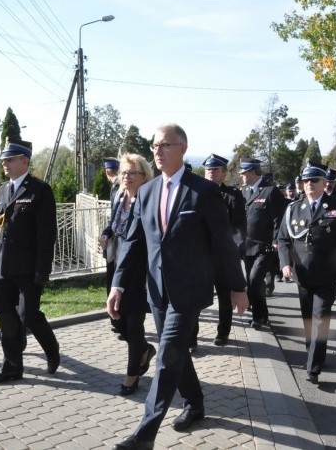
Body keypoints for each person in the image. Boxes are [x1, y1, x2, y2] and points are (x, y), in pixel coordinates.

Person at [107, 124, 248, 450]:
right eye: (155, 145)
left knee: (167, 356)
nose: (158, 151)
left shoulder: (204, 192)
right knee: (177, 354)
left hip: (189, 291)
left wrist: (237, 286)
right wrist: (118, 285)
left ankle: (144, 436)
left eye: (165, 145)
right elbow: (133, 243)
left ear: (183, 148)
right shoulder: (148, 191)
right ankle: (195, 404)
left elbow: (224, 243)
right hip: (156, 291)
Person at [0, 139, 60, 383]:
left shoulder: (39, 191)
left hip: (28, 269)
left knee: (29, 315)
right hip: (3, 267)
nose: (5, 163)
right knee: (7, 318)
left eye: (10, 159)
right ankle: (12, 367)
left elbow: (47, 235)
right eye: (4, 159)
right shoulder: (1, 191)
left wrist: (42, 269)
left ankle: (51, 348)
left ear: (24, 161)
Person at [278, 163, 336, 384]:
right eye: (306, 181)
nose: (309, 185)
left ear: (325, 183)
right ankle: (314, 354)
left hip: (328, 275)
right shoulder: (294, 208)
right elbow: (283, 239)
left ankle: (313, 368)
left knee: (319, 319)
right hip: (303, 275)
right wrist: (285, 264)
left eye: (314, 181)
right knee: (308, 320)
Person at [100, 154, 156, 396]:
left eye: (132, 173)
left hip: (139, 269)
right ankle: (144, 350)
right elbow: (114, 224)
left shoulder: (149, 200)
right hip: (116, 264)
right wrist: (106, 233)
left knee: (134, 325)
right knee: (116, 318)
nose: (126, 177)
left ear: (144, 176)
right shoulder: (119, 195)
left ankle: (132, 375)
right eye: (123, 172)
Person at [199, 153, 247, 346]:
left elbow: (238, 229)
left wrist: (233, 253)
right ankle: (192, 337)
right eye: (208, 169)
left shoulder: (232, 196)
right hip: (201, 256)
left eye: (215, 170)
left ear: (224, 174)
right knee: (196, 297)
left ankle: (223, 332)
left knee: (225, 298)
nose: (211, 172)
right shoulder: (196, 194)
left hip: (222, 256)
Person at [241, 157, 286, 325]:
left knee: (254, 280)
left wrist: (276, 241)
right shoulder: (245, 191)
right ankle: (261, 315)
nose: (242, 176)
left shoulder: (270, 191)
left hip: (265, 246)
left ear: (253, 172)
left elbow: (278, 219)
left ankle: (258, 317)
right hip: (248, 246)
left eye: (244, 173)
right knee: (252, 282)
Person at [102, 156, 123, 337]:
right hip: (113, 240)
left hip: (120, 245)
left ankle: (118, 321)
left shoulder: (118, 188)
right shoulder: (117, 188)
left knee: (116, 283)